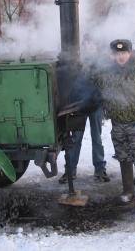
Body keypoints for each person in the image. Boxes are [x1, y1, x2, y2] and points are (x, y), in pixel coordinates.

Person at [85, 39, 135, 214]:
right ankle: (128, 192)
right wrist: (80, 61)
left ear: (130, 53)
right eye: (117, 54)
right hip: (117, 123)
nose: (121, 57)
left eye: (124, 53)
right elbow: (90, 76)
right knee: (123, 157)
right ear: (113, 55)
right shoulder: (107, 71)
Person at [58, 34, 109, 184]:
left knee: (97, 138)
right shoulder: (77, 60)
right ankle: (70, 170)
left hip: (96, 104)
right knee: (76, 139)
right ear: (84, 44)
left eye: (94, 42)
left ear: (97, 44)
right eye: (88, 42)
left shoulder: (103, 60)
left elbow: (105, 81)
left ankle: (100, 169)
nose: (91, 45)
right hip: (79, 104)